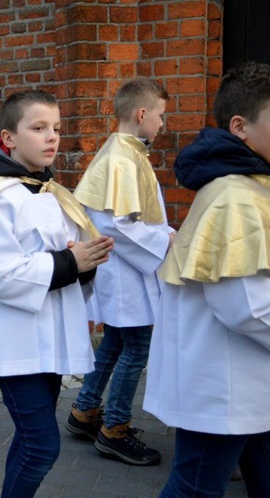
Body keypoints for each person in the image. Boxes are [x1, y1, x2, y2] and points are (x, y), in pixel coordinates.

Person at [0, 90, 114, 497]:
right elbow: (1, 277)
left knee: (28, 440)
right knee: (42, 446)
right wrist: (72, 262)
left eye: (56, 128)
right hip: (14, 345)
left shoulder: (50, 192)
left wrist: (88, 261)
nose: (51, 137)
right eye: (38, 128)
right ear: (8, 138)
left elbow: (72, 258)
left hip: (48, 338)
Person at [144, 61, 270, 497]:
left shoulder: (253, 184)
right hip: (225, 382)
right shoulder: (235, 194)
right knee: (195, 488)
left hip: (250, 379)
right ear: (240, 126)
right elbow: (245, 306)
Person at [64, 77, 174, 466]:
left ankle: (84, 410)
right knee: (136, 347)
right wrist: (166, 243)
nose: (163, 123)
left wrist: (165, 234)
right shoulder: (122, 157)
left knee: (114, 343)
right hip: (124, 273)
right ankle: (114, 429)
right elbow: (114, 225)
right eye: (161, 115)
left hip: (124, 271)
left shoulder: (127, 152)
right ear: (142, 114)